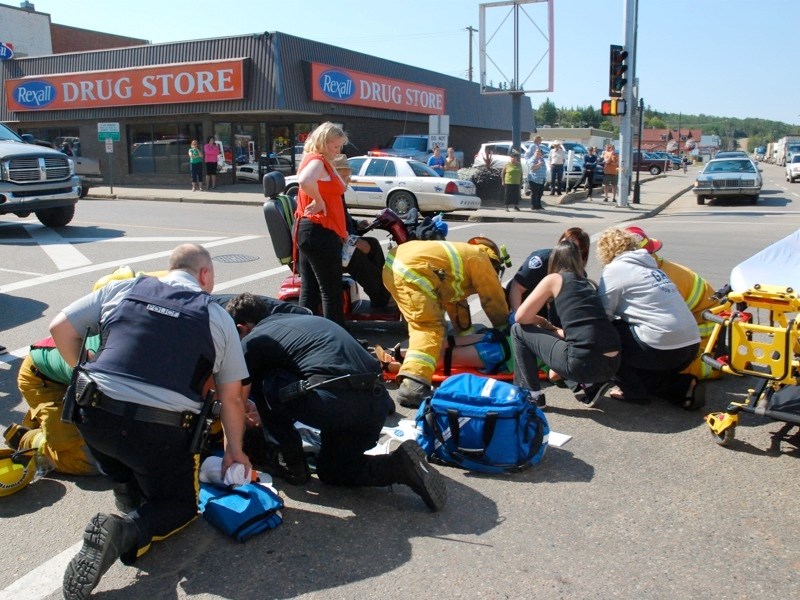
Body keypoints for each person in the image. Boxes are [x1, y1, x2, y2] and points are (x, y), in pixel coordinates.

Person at [50, 243, 250, 600]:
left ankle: (126, 494)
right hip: (159, 432)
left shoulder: (124, 287)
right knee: (181, 507)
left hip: (94, 415)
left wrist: (85, 366)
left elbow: (60, 327)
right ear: (204, 275)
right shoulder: (215, 315)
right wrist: (235, 451)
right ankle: (124, 529)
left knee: (117, 454)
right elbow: (232, 396)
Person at [226, 293, 447, 511]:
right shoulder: (308, 320)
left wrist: (234, 446)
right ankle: (399, 466)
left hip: (336, 405)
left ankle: (293, 465)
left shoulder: (255, 339)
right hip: (374, 406)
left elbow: (236, 398)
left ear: (240, 328)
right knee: (333, 471)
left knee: (266, 382)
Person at [382, 237, 510, 408]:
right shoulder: (480, 258)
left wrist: (466, 334)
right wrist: (505, 329)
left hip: (395, 267)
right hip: (413, 271)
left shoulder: (460, 261)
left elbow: (455, 300)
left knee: (421, 324)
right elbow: (493, 299)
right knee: (428, 327)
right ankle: (413, 385)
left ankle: (387, 358)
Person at [595, 228, 703, 409]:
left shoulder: (615, 270)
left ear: (606, 251)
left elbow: (602, 315)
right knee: (646, 369)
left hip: (660, 348)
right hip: (690, 348)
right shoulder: (652, 268)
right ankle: (682, 387)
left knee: (607, 335)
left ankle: (632, 392)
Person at [511, 241, 621, 408]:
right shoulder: (588, 284)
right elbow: (581, 334)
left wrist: (541, 322)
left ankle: (531, 395)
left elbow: (521, 317)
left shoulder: (555, 278)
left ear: (554, 260)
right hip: (612, 364)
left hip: (583, 362)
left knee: (518, 330)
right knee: (567, 345)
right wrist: (552, 330)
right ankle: (590, 385)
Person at [624, 225, 720, 380]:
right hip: (702, 324)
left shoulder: (656, 277)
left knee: (667, 367)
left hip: (704, 331)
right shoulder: (660, 270)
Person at [3, 336, 102, 477]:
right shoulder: (114, 364)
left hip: (78, 378)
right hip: (42, 380)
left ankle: (51, 422)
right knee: (92, 460)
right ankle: (27, 439)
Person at [295, 122, 350, 327]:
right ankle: (338, 340)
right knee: (331, 291)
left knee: (310, 290)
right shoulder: (318, 160)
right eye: (335, 146)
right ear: (323, 142)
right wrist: (318, 201)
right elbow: (304, 180)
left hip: (308, 230)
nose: (338, 151)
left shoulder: (314, 159)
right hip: (320, 230)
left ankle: (304, 335)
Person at [333, 154, 392, 310]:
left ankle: (382, 292)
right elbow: (331, 227)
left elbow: (344, 220)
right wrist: (354, 241)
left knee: (373, 244)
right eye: (344, 175)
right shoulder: (330, 194)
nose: (349, 179)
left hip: (341, 241)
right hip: (331, 247)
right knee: (357, 256)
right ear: (333, 174)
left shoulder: (338, 193)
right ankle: (382, 298)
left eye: (348, 175)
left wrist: (358, 223)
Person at [506, 227, 591, 314]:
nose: (566, 249)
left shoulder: (580, 274)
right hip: (521, 303)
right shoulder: (541, 260)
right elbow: (516, 287)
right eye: (564, 243)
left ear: (581, 256)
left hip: (547, 313)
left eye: (572, 249)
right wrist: (515, 314)